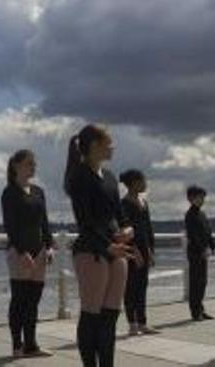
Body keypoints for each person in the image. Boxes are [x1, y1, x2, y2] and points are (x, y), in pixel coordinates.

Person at [64, 124, 135, 367]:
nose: (113, 146)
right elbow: (85, 221)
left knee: (110, 316)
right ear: (94, 145)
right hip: (92, 251)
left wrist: (127, 229)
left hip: (116, 250)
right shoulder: (79, 176)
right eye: (109, 142)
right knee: (91, 314)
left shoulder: (111, 177)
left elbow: (120, 213)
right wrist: (107, 246)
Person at [1, 149, 54, 358]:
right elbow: (10, 225)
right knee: (19, 300)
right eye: (29, 163)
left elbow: (44, 222)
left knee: (33, 301)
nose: (33, 167)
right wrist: (22, 251)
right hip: (18, 253)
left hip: (39, 252)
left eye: (34, 163)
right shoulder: (10, 192)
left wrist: (49, 246)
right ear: (16, 165)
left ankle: (32, 345)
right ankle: (17, 346)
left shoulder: (39, 191)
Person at [120, 169, 158, 336]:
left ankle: (142, 322)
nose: (145, 184)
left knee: (142, 286)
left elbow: (148, 229)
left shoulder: (144, 202)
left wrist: (150, 250)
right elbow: (125, 228)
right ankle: (132, 323)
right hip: (131, 250)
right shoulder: (124, 203)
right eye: (143, 180)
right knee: (131, 286)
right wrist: (135, 251)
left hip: (144, 248)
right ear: (134, 182)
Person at [184, 185, 215, 321]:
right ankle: (195, 312)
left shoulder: (202, 214)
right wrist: (202, 249)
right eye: (199, 197)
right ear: (190, 198)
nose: (202, 200)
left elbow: (208, 231)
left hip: (203, 252)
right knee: (195, 282)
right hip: (195, 252)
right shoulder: (190, 214)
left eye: (203, 197)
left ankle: (201, 309)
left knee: (203, 282)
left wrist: (213, 245)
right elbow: (193, 235)